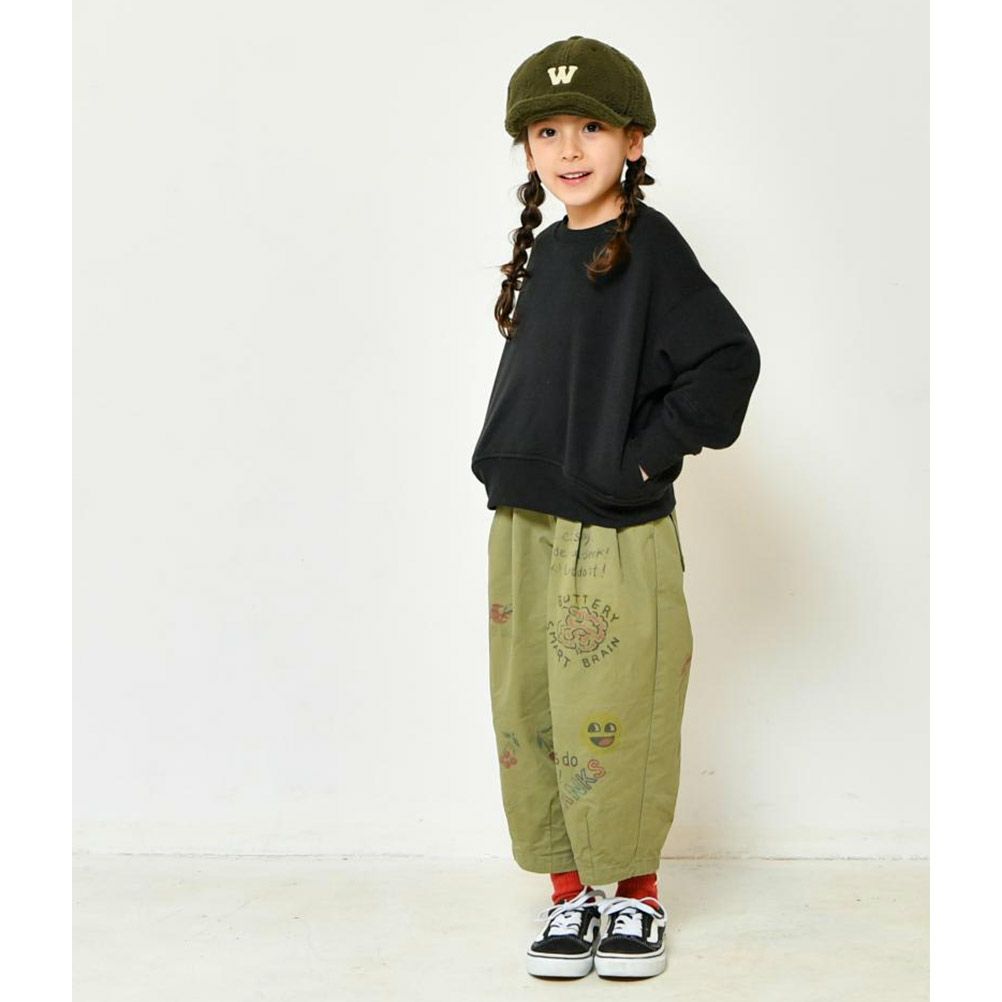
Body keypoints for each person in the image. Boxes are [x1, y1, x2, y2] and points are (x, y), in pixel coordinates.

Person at [471, 35, 761, 980]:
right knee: (532, 712)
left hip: (614, 528)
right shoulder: (548, 249)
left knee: (617, 709)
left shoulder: (651, 247)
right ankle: (569, 895)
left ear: (633, 140)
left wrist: (639, 461)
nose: (569, 149)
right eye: (547, 131)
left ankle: (634, 895)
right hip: (525, 522)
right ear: (526, 148)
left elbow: (726, 361)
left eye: (591, 127)